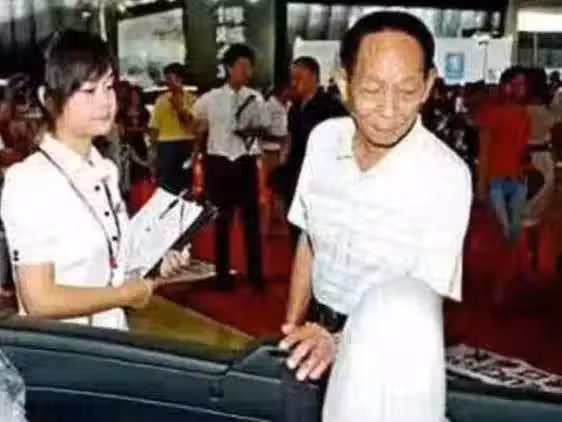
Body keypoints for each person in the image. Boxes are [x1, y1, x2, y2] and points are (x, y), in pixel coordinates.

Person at [278, 11, 472, 421]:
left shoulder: (446, 176)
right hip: (311, 336)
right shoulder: (323, 141)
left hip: (388, 351)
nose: (388, 109)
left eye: (407, 90)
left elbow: (426, 292)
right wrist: (290, 327)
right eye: (371, 89)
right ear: (344, 83)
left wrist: (341, 342)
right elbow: (308, 239)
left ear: (428, 85)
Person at [0, 30, 189, 331]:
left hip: (112, 336)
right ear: (48, 98)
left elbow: (114, 267)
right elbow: (39, 299)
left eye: (109, 86)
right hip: (67, 349)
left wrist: (154, 265)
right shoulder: (29, 181)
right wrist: (125, 294)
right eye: (89, 90)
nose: (105, 101)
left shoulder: (104, 170)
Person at [193, 44, 269, 292]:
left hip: (245, 162)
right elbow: (196, 124)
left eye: (249, 66)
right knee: (222, 221)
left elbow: (266, 127)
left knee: (251, 221)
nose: (247, 71)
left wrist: (251, 130)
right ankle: (222, 274)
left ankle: (256, 275)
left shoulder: (256, 98)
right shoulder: (210, 98)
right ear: (228, 68)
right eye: (241, 66)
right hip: (219, 163)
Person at [283, 56, 347, 248]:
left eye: (299, 78)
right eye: (292, 78)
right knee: (295, 226)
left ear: (313, 77)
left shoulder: (331, 106)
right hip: (296, 172)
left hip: (322, 174)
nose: (294, 83)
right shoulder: (294, 108)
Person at [475, 67, 530, 243]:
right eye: (517, 84)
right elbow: (484, 150)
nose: (521, 89)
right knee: (502, 234)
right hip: (495, 180)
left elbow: (522, 149)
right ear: (505, 85)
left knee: (513, 236)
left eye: (523, 84)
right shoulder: (492, 113)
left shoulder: (524, 114)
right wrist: (481, 185)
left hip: (517, 178)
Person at [149, 63, 197, 194]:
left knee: (185, 183)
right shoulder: (161, 100)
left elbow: (192, 124)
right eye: (167, 79)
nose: (169, 83)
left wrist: (179, 106)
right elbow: (154, 127)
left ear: (180, 79)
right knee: (166, 185)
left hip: (186, 143)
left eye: (171, 78)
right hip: (166, 145)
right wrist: (153, 150)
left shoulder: (192, 100)